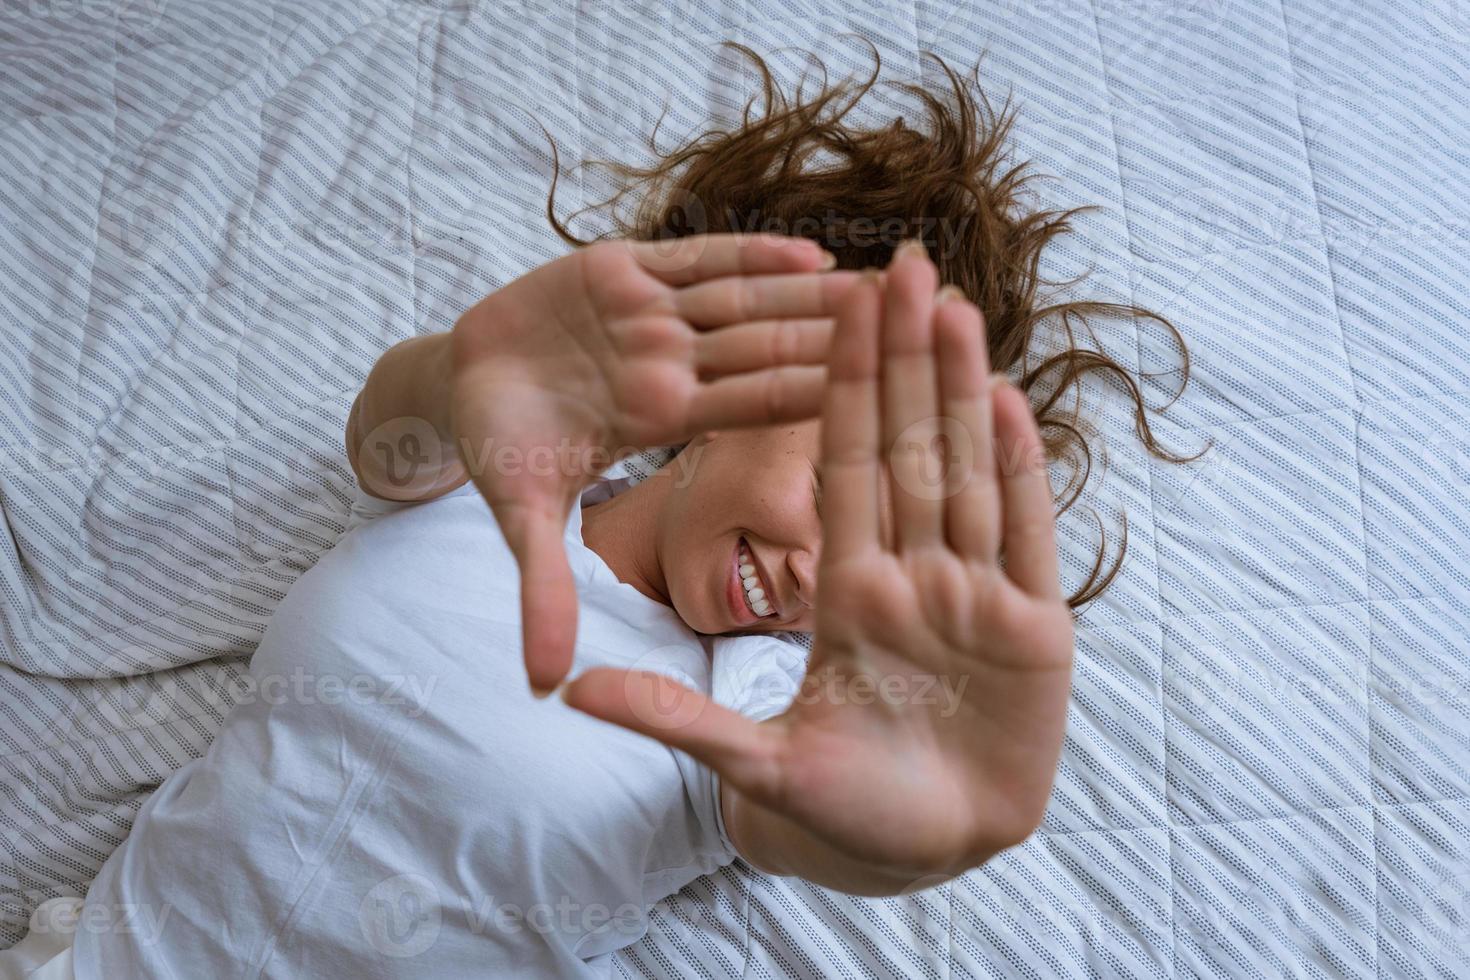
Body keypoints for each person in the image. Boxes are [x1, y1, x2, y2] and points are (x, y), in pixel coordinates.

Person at [4, 45, 1196, 979]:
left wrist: (913, 824)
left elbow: (801, 812)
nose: (818, 577)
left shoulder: (759, 693)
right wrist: (464, 369)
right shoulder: (515, 469)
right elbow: (391, 433)